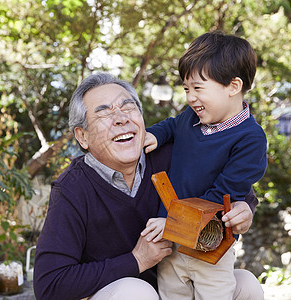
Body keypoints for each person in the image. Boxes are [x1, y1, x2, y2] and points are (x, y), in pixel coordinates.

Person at [33, 72, 263, 300]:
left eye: (128, 107)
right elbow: (50, 285)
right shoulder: (72, 189)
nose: (121, 118)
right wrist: (137, 260)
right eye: (104, 113)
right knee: (135, 293)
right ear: (82, 137)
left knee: (246, 285)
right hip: (122, 294)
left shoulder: (170, 155)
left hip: (176, 283)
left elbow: (232, 187)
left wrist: (244, 209)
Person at [143, 31, 267, 300]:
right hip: (171, 242)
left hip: (210, 243)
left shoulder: (250, 139)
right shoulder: (191, 117)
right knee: (171, 292)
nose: (190, 97)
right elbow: (172, 125)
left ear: (233, 86)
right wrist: (155, 134)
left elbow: (221, 194)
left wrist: (172, 223)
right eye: (186, 88)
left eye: (198, 88)